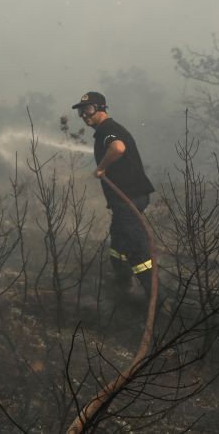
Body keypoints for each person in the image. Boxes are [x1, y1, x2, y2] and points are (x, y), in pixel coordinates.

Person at [71, 91, 155, 299]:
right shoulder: (105, 130)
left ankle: (157, 298)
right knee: (117, 243)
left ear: (101, 108)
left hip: (129, 199)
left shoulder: (107, 129)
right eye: (81, 111)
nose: (84, 115)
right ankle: (122, 285)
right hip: (125, 199)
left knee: (136, 248)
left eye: (88, 109)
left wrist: (101, 168)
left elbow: (117, 148)